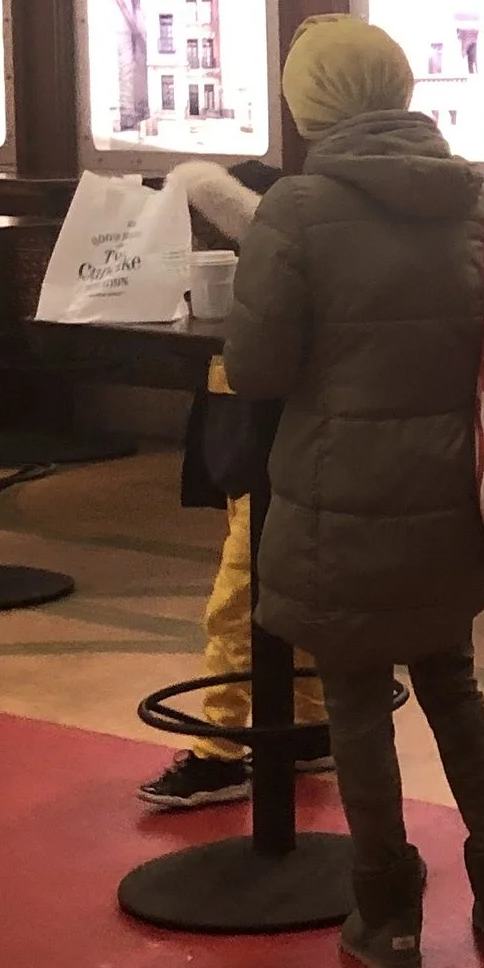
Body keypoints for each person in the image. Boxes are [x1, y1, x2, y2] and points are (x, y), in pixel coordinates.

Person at [222, 15, 484, 968]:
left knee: (359, 700)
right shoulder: (470, 199)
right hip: (449, 488)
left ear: (311, 101)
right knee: (454, 682)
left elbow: (258, 364)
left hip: (335, 496)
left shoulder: (297, 206)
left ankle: (389, 917)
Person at [136, 156, 329, 811]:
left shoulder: (274, 295)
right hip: (264, 455)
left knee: (237, 602)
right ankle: (309, 723)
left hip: (270, 460)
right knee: (283, 595)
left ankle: (220, 750)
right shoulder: (294, 278)